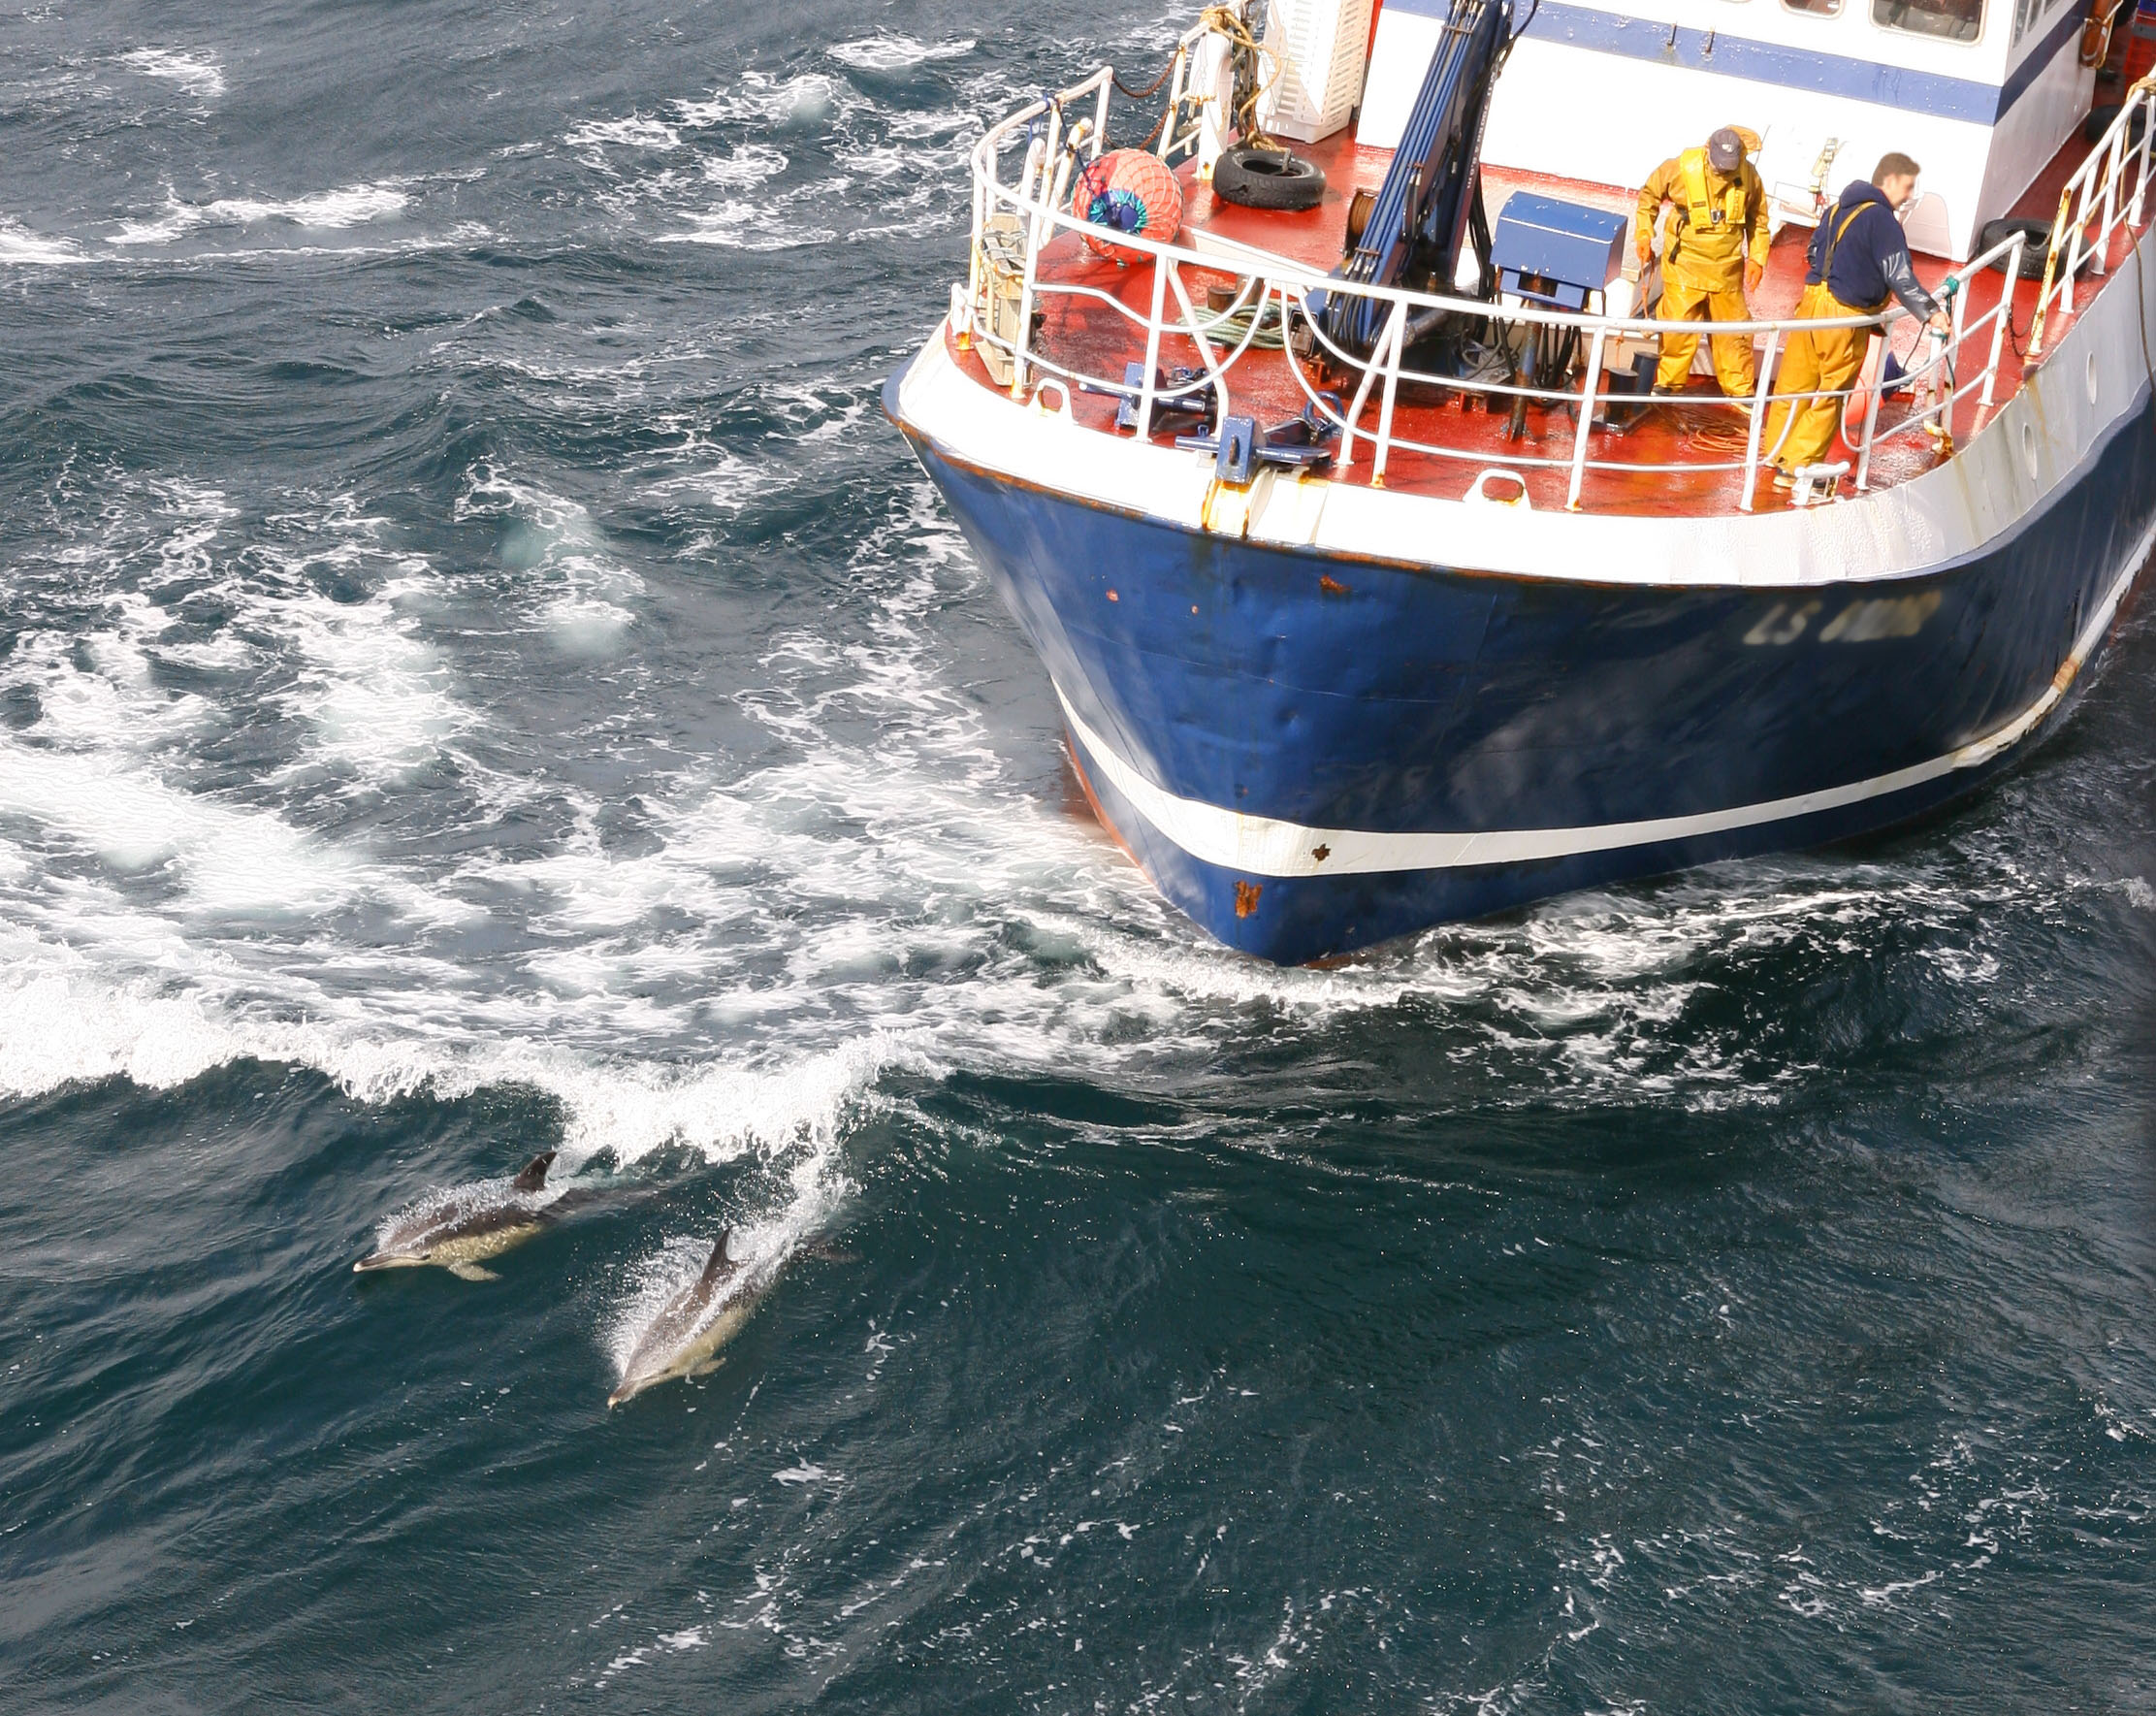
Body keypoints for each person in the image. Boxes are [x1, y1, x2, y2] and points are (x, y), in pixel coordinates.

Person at [1764, 153, 1954, 486]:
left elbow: (1813, 251)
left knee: (1794, 385)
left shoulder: (1838, 208)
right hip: (1844, 314)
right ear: (1890, 180)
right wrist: (1932, 313)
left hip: (1810, 305)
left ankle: (1775, 451)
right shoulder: (1883, 221)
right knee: (1832, 392)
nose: (1909, 196)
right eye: (1907, 187)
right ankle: (1795, 464)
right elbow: (1900, 275)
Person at [1635, 126, 1771, 399]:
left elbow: (1758, 218)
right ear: (1708, 150)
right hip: (1684, 264)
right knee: (1677, 327)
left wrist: (1758, 257)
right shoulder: (1677, 169)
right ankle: (1668, 385)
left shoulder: (1749, 177)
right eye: (1720, 165)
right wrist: (1643, 233)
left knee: (1734, 333)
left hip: (1727, 270)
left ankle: (1740, 391)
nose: (1724, 171)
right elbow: (1648, 197)